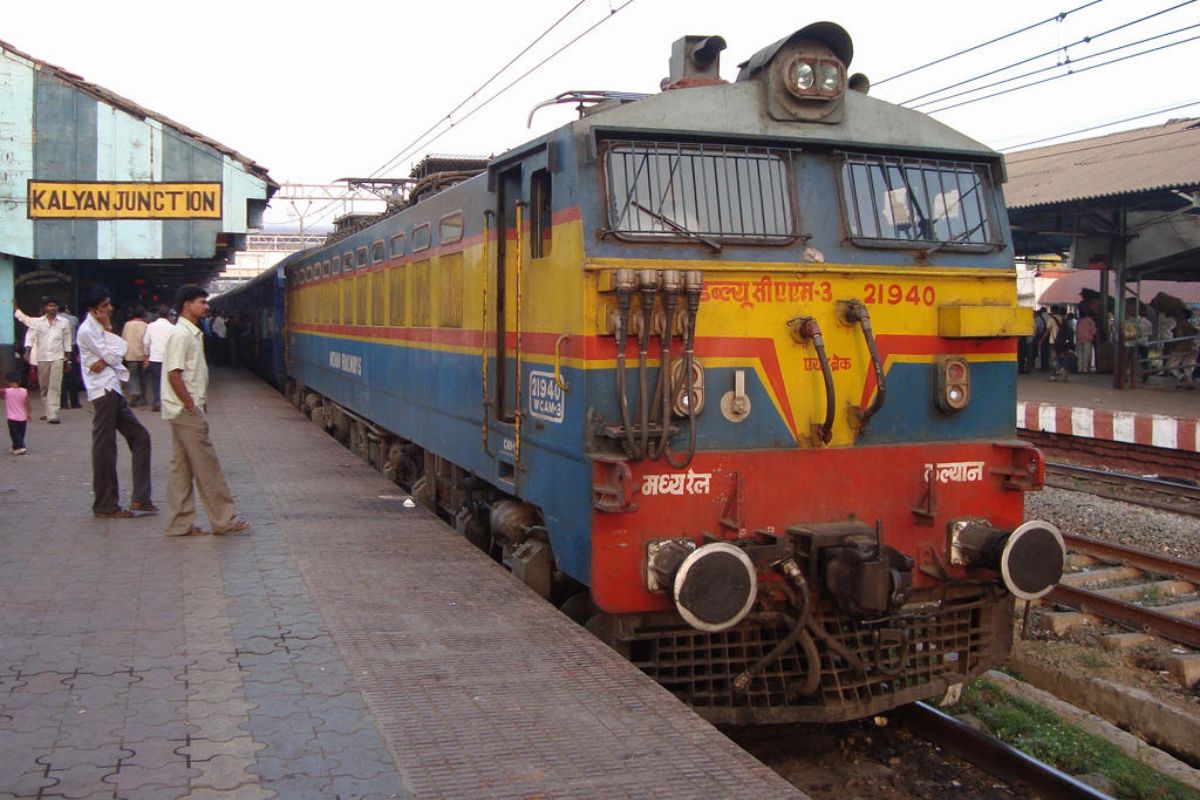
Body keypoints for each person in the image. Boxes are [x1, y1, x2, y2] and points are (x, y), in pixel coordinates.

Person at [161, 285, 250, 537]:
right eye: (202, 302)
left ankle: (178, 523)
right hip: (186, 412)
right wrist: (191, 406)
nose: (206, 306)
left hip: (180, 410)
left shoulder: (190, 333)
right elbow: (174, 375)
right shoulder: (181, 335)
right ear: (187, 305)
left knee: (181, 469)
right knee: (207, 466)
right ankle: (224, 519)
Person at [77, 287, 155, 518]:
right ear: (94, 310)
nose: (110, 309)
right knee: (105, 447)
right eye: (105, 306)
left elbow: (120, 349)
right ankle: (105, 504)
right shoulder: (87, 330)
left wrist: (105, 357)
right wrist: (108, 333)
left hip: (112, 389)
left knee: (141, 437)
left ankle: (141, 498)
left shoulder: (98, 329)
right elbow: (114, 354)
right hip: (103, 392)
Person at [15, 296, 73, 423]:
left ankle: (53, 414)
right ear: (46, 307)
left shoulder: (64, 323)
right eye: (50, 305)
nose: (52, 308)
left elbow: (67, 341)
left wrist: (68, 360)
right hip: (42, 358)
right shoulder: (38, 322)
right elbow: (29, 330)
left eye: (55, 305)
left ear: (58, 307)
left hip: (58, 357)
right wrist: (27, 351)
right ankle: (48, 411)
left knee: (55, 386)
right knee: (44, 386)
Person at [143, 304, 175, 412]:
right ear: (168, 315)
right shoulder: (173, 328)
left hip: (155, 358)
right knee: (168, 382)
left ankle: (157, 401)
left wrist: (146, 355)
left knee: (156, 381)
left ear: (157, 314)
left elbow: (146, 342)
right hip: (168, 358)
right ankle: (167, 402)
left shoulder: (151, 326)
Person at [121, 306, 149, 407]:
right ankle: (143, 398)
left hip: (130, 354)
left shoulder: (127, 325)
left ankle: (135, 392)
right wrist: (147, 355)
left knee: (133, 375)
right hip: (143, 354)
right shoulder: (146, 326)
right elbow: (147, 341)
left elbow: (123, 339)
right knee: (143, 377)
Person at [3, 371, 30, 455]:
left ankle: (21, 447)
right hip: (22, 417)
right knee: (21, 433)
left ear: (8, 381)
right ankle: (15, 446)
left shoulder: (7, 391)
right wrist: (28, 413)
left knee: (14, 434)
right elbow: (27, 403)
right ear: (19, 381)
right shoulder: (24, 391)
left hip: (12, 418)